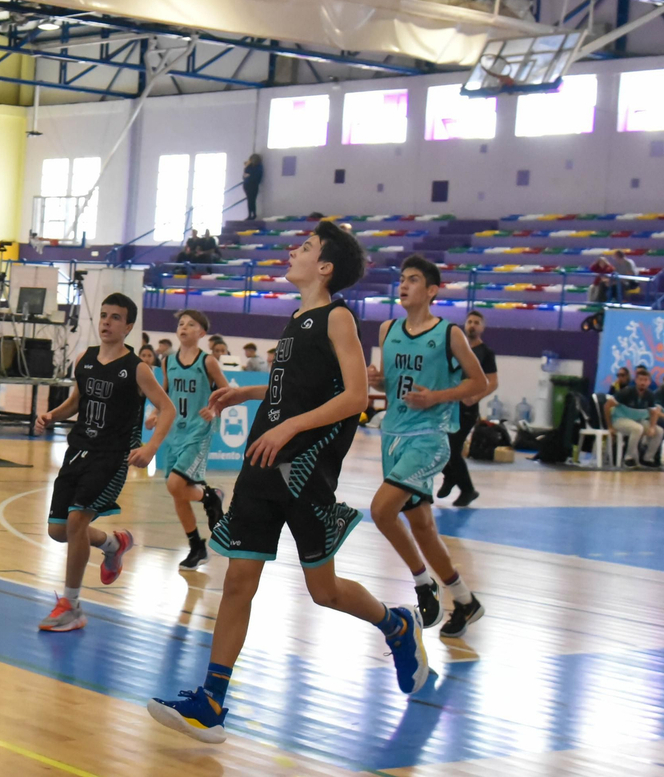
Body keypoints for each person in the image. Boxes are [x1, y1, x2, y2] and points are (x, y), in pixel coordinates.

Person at [148, 221, 428, 745]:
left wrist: (291, 426)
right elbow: (294, 388)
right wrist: (247, 392)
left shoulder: (338, 317)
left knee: (324, 591)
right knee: (238, 581)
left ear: (325, 267)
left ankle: (396, 624)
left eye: (306, 247)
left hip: (303, 468)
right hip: (263, 460)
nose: (294, 251)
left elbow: (355, 397)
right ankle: (212, 702)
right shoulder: (298, 317)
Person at [33, 293, 174, 631]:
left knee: (76, 522)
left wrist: (151, 447)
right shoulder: (85, 358)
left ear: (128, 326)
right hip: (78, 451)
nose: (107, 322)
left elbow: (167, 409)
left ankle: (71, 606)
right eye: (104, 315)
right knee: (58, 530)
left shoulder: (137, 369)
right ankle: (114, 544)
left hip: (112, 457)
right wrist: (52, 415)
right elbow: (76, 401)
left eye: (115, 317)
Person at [366, 254, 489, 639]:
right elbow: (391, 384)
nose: (404, 285)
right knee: (422, 527)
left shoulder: (450, 334)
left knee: (381, 510)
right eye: (402, 278)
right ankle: (465, 600)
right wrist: (377, 381)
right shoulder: (387, 330)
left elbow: (479, 383)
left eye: (414, 279)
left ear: (432, 290)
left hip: (429, 437)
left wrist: (437, 396)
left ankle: (423, 583)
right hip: (393, 436)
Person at [154, 309, 228, 570]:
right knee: (178, 493)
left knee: (175, 484)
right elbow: (165, 392)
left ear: (202, 333)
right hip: (175, 432)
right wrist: (155, 412)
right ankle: (197, 546)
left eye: (191, 324)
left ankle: (210, 497)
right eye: (181, 324)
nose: (184, 327)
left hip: (199, 431)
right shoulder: (168, 361)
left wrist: (214, 408)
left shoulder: (208, 362)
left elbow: (227, 391)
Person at [439, 310, 496, 506]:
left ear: (482, 327)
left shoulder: (485, 353)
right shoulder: (456, 348)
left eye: (476, 322)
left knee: (453, 448)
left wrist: (475, 397)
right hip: (448, 404)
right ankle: (450, 475)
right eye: (470, 321)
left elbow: (493, 382)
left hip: (466, 409)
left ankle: (467, 489)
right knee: (438, 445)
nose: (472, 325)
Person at [606, 365, 662, 467]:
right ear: (636, 381)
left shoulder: (650, 395)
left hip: (637, 420)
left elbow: (654, 412)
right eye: (640, 380)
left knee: (659, 431)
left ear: (649, 382)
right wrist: (610, 426)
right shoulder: (626, 392)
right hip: (620, 420)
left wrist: (652, 427)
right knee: (637, 428)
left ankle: (647, 458)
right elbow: (606, 406)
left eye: (645, 380)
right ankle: (629, 458)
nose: (642, 382)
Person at [242, 153, 263, 220]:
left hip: (253, 185)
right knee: (250, 200)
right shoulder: (249, 166)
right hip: (248, 185)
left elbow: (255, 176)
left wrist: (249, 175)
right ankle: (251, 214)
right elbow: (244, 175)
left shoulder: (258, 167)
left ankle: (253, 214)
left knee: (252, 200)